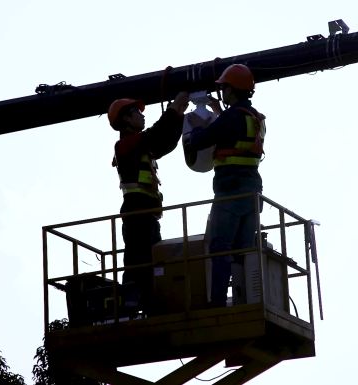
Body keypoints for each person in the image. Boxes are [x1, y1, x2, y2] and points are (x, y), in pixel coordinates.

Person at [184, 64, 266, 308]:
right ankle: (247, 300)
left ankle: (218, 302)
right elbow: (231, 132)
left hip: (229, 192)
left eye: (224, 88)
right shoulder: (255, 118)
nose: (222, 92)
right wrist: (217, 112)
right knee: (245, 250)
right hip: (252, 193)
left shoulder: (231, 117)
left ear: (233, 89)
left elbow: (202, 140)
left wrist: (194, 127)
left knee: (220, 248)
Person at [109, 92, 189, 314]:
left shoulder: (140, 146)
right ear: (125, 119)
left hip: (148, 215)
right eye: (137, 113)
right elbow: (154, 135)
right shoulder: (125, 145)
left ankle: (149, 304)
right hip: (136, 214)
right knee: (137, 262)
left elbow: (165, 142)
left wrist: (179, 114)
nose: (142, 116)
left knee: (152, 261)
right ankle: (130, 306)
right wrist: (173, 109)